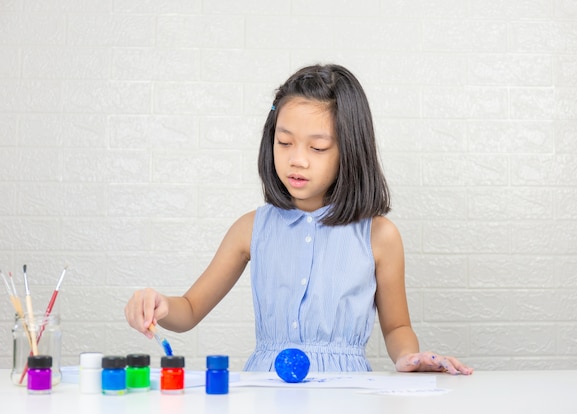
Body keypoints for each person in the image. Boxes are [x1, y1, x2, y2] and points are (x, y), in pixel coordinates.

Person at [125, 64, 473, 375]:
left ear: (349, 151)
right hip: (267, 387)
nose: (297, 160)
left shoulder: (379, 235)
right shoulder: (250, 229)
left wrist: (409, 359)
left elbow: (397, 327)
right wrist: (161, 305)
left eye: (317, 148)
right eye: (285, 142)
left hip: (345, 393)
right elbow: (189, 309)